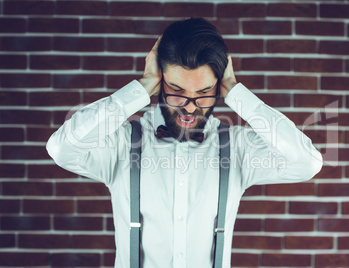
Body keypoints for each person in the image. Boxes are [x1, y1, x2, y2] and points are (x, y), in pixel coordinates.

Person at [47, 18, 322, 268]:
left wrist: (237, 93)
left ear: (218, 88)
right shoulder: (120, 144)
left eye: (203, 93)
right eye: (177, 92)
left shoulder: (237, 148)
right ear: (161, 83)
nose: (189, 108)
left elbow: (306, 162)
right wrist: (141, 87)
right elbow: (62, 148)